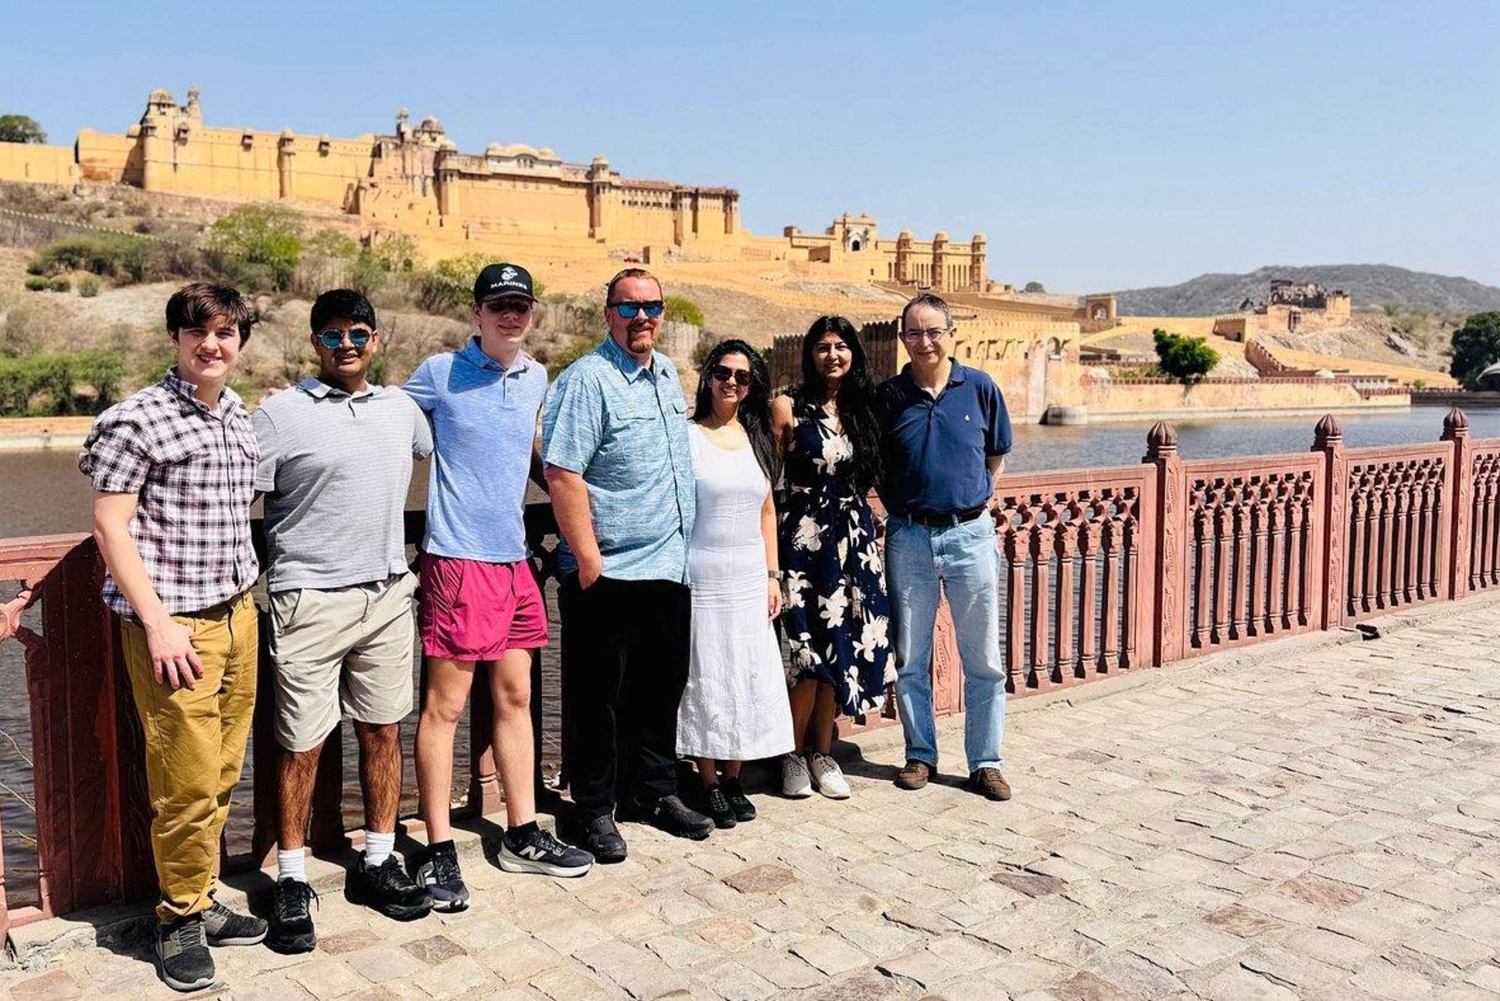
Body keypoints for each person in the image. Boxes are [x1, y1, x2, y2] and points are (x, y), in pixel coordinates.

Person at [78, 283, 267, 992]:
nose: (212, 345)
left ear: (240, 341)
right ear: (175, 340)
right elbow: (109, 525)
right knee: (183, 780)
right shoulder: (138, 419)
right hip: (175, 624)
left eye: (225, 333)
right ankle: (179, 916)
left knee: (219, 771)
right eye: (198, 334)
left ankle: (203, 894)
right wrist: (155, 619)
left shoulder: (237, 416)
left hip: (236, 613)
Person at [405, 263, 594, 912]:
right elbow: (387, 434)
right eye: (499, 306)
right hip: (457, 561)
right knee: (445, 709)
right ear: (477, 313)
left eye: (521, 305)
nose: (511, 315)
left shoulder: (535, 374)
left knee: (515, 697)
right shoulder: (438, 373)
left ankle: (520, 832)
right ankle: (436, 850)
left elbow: (538, 458)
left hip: (515, 560)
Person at [253, 290, 435, 952]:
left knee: (384, 730)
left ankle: (379, 857)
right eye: (332, 336)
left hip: (387, 594)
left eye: (358, 333)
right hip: (308, 597)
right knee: (300, 743)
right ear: (315, 344)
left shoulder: (400, 409)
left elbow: (435, 448)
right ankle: (293, 875)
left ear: (377, 339)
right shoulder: (279, 414)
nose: (347, 345)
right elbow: (227, 489)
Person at [542, 267, 712, 862]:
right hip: (608, 569)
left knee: (660, 688)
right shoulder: (587, 380)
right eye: (630, 307)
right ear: (609, 314)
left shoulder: (666, 375)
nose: (643, 317)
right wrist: (588, 559)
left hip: (668, 565)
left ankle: (654, 792)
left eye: (653, 307)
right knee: (597, 700)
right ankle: (592, 810)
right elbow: (562, 471)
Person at [878, 292, 1013, 801]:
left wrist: (968, 502)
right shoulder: (889, 396)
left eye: (934, 331)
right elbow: (878, 463)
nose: (925, 341)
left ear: (951, 333)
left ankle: (985, 762)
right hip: (908, 535)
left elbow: (996, 455)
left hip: (969, 534)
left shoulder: (979, 387)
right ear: (902, 339)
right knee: (911, 654)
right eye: (915, 332)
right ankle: (920, 755)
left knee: (982, 658)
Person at [772, 316, 893, 800]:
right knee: (806, 653)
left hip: (853, 542)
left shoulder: (862, 410)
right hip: (804, 541)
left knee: (840, 645)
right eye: (822, 347)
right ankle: (789, 754)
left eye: (841, 346)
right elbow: (769, 478)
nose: (832, 356)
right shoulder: (787, 406)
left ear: (854, 354)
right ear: (809, 353)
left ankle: (821, 752)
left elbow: (879, 476)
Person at [675, 340, 794, 828]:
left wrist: (772, 575)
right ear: (708, 377)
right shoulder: (687, 436)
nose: (731, 382)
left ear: (751, 386)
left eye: (742, 377)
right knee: (707, 673)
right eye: (723, 372)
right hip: (703, 572)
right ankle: (707, 780)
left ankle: (733, 776)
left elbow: (768, 512)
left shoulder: (758, 436)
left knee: (747, 671)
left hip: (749, 575)